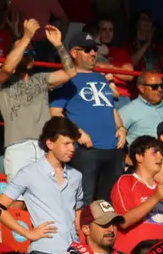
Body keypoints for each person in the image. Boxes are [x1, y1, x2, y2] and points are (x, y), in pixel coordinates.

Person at [49, 32, 127, 203]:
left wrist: (121, 128)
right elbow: (55, 112)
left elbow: (111, 108)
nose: (93, 53)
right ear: (74, 53)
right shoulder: (66, 79)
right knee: (85, 200)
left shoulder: (101, 77)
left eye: (94, 49)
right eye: (87, 50)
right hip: (86, 150)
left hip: (113, 149)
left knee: (109, 202)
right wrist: (78, 133)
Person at [0, 19, 77, 179]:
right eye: (23, 52)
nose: (28, 56)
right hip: (17, 146)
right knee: (17, 200)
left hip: (44, 146)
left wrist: (59, 45)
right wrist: (26, 37)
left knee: (45, 196)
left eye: (31, 53)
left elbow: (70, 73)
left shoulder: (40, 78)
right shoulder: (2, 78)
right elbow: (8, 67)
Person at [0, 117, 84, 254]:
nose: (72, 149)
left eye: (73, 143)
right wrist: (28, 233)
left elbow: (78, 211)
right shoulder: (29, 173)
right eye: (66, 143)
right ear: (50, 143)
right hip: (44, 252)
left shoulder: (76, 176)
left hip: (75, 251)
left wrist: (80, 240)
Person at [111, 136, 163, 254]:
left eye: (161, 153)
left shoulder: (161, 189)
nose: (160, 157)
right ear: (139, 157)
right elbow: (124, 221)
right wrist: (155, 198)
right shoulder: (126, 181)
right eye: (154, 152)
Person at [119, 71, 163, 144]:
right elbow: (114, 137)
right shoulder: (128, 110)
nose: (160, 89)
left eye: (162, 85)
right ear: (141, 88)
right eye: (154, 86)